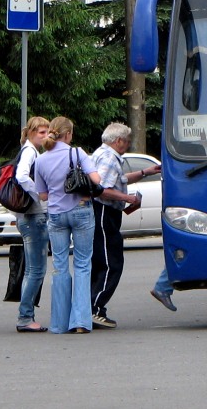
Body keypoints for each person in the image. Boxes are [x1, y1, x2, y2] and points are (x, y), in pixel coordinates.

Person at [34, 116, 100, 334]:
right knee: (82, 264)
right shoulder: (77, 153)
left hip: (55, 215)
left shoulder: (41, 160)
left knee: (60, 266)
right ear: (69, 134)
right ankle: (80, 321)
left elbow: (42, 194)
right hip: (80, 210)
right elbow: (97, 180)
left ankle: (59, 323)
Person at [88, 123, 154, 329]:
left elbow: (120, 179)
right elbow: (102, 189)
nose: (127, 145)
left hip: (100, 212)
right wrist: (128, 198)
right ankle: (95, 308)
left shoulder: (101, 153)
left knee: (98, 261)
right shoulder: (109, 158)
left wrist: (144, 172)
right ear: (118, 141)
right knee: (110, 262)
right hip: (104, 212)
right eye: (126, 141)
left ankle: (89, 307)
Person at [14, 116, 50, 333]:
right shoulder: (29, 151)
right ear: (30, 133)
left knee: (33, 269)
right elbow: (21, 176)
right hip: (33, 216)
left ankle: (26, 314)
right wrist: (39, 195)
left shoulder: (32, 151)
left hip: (28, 216)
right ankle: (25, 316)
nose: (44, 136)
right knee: (36, 270)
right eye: (40, 132)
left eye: (47, 132)